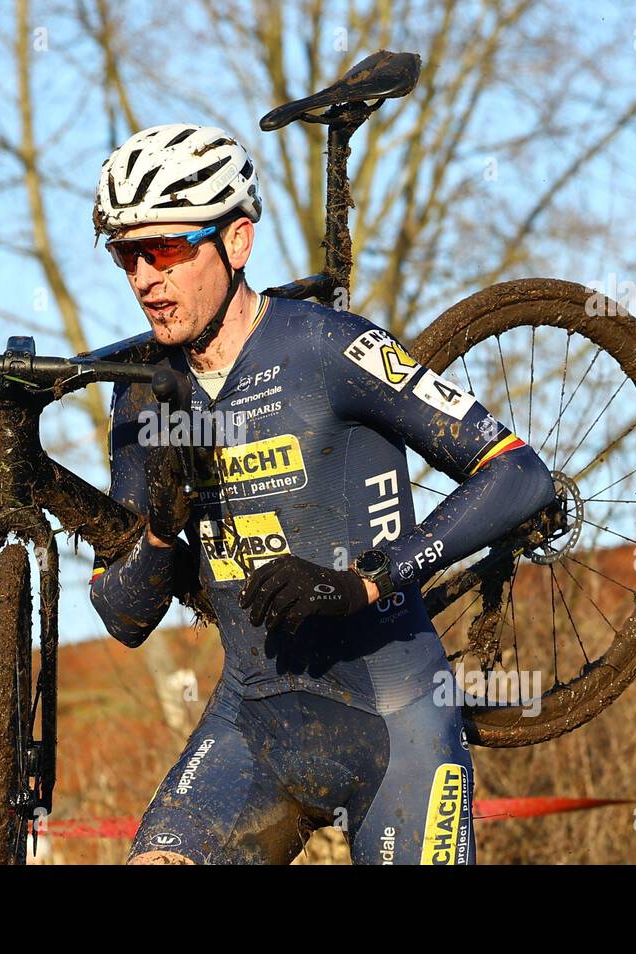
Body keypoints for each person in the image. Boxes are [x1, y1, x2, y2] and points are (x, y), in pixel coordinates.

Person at [88, 123, 555, 864]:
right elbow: (122, 616)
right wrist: (157, 533)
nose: (145, 276)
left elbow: (519, 473)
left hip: (395, 721)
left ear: (237, 241)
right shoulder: (145, 400)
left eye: (167, 249)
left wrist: (366, 581)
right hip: (253, 722)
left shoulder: (329, 347)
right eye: (127, 254)